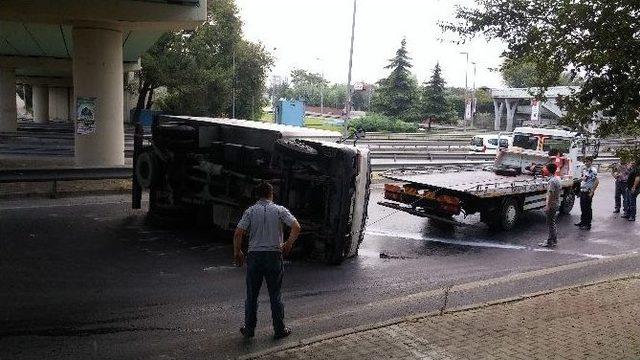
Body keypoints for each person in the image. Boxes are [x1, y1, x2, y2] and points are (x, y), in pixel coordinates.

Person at [233, 182, 301, 339]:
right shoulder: (279, 210)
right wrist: (288, 243)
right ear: (271, 194)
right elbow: (296, 227)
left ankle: (249, 330)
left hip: (255, 257)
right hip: (274, 256)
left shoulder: (250, 211)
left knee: (252, 295)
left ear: (258, 195)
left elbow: (238, 233)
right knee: (275, 295)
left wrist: (238, 252)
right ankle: (279, 330)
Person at [539, 163, 561, 248]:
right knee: (552, 223)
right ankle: (554, 240)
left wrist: (548, 206)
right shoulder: (556, 179)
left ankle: (550, 241)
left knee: (550, 223)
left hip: (552, 205)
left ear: (548, 170)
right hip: (556, 203)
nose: (544, 169)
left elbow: (551, 194)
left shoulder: (552, 181)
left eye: (545, 168)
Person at [575, 156, 599, 230]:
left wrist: (592, 191)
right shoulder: (585, 169)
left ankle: (587, 224)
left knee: (587, 208)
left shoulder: (593, 170)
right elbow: (584, 179)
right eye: (585, 161)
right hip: (583, 190)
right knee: (583, 207)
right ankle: (582, 222)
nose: (586, 163)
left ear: (591, 162)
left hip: (588, 191)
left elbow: (596, 181)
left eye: (588, 161)